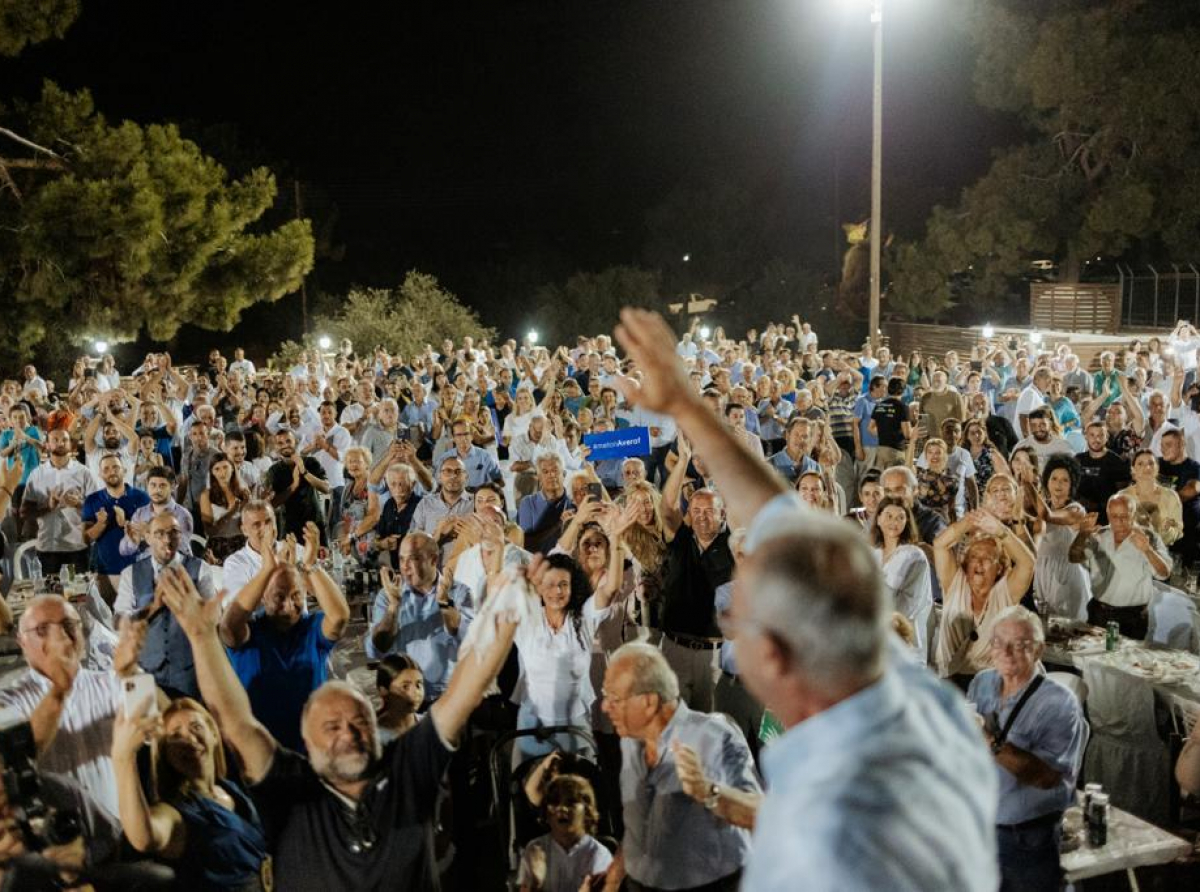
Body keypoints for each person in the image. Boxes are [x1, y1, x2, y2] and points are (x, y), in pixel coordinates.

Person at [610, 307, 997, 892]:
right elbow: (783, 520)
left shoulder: (843, 802)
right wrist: (686, 405)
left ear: (776, 658)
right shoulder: (914, 699)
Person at [156, 553, 516, 892]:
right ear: (307, 743)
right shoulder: (292, 794)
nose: (348, 731)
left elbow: (461, 696)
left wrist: (501, 620)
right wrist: (202, 637)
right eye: (331, 726)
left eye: (359, 720)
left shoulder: (404, 772)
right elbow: (236, 723)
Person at [600, 642, 760, 892]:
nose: (604, 707)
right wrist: (611, 880)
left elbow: (760, 814)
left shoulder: (715, 736)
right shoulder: (632, 745)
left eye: (615, 699)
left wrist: (707, 791)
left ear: (649, 703)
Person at [967, 607, 1086, 892]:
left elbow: (1046, 777)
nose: (1007, 652)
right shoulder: (981, 683)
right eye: (999, 643)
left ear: (1039, 650)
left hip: (1027, 840)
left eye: (1020, 645)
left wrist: (989, 740)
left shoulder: (1060, 703)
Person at [0, 594, 142, 822]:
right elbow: (16, 754)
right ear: (22, 643)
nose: (61, 637)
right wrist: (59, 689)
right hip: (60, 845)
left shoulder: (110, 681)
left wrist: (132, 671)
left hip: (120, 832)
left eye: (68, 625)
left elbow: (152, 725)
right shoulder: (10, 698)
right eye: (42, 630)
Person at [112, 696, 270, 891]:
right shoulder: (178, 812)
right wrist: (123, 758)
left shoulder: (234, 791)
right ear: (166, 754)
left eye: (196, 727)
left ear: (213, 734)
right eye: (176, 736)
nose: (189, 740)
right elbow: (144, 836)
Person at [218, 521, 350, 751]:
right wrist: (267, 570)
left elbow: (339, 616)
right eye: (279, 597)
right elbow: (228, 627)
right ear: (264, 597)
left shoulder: (312, 630)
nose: (289, 606)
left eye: (296, 595)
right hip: (260, 751)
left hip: (310, 748)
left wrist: (310, 566)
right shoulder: (250, 634)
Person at [511, 547, 625, 765]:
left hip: (575, 727)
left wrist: (616, 539)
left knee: (578, 792)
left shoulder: (583, 618)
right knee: (528, 791)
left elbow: (610, 589)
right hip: (532, 725)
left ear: (573, 588)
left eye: (564, 584)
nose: (557, 591)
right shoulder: (527, 619)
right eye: (551, 584)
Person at [114, 512, 217, 699]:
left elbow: (213, 619)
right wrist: (153, 606)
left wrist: (191, 603)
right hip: (144, 672)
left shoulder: (200, 569)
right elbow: (119, 622)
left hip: (189, 672)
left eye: (174, 532)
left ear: (181, 536)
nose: (167, 540)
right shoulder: (130, 573)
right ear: (148, 538)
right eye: (159, 534)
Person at [365, 531, 473, 700]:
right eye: (401, 559)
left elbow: (469, 640)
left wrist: (444, 603)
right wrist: (394, 607)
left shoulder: (458, 592)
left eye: (413, 558)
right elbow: (377, 649)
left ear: (433, 560)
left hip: (447, 698)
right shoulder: (388, 595)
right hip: (402, 699)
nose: (405, 566)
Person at [933, 511, 1035, 685]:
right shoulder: (954, 583)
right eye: (973, 557)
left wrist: (1001, 531)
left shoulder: (1005, 593)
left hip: (992, 683)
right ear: (966, 563)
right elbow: (939, 545)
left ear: (1000, 567)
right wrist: (967, 522)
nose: (979, 562)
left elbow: (1027, 563)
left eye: (988, 558)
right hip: (949, 682)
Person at [1069, 493, 1171, 640]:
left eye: (1125, 516)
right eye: (1114, 516)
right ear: (1108, 515)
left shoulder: (1148, 536)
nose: (1119, 521)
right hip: (1099, 612)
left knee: (1126, 661)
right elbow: (1074, 558)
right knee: (1092, 660)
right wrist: (1083, 534)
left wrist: (1147, 550)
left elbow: (1164, 573)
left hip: (1132, 618)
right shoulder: (1100, 535)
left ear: (1134, 514)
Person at [517, 774, 613, 892]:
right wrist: (535, 882)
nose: (562, 808)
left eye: (570, 802)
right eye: (555, 802)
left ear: (587, 812)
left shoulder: (599, 855)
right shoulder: (535, 849)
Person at [20, 428, 92, 575]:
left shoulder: (84, 472)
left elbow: (98, 510)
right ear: (47, 445)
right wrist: (49, 506)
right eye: (55, 440)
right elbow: (24, 512)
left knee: (78, 595)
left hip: (77, 547)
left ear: (70, 445)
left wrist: (79, 504)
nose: (60, 443)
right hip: (47, 547)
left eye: (64, 440)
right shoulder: (36, 474)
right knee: (48, 595)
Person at [1030, 455, 1092, 621]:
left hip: (1067, 576)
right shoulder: (1040, 505)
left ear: (1071, 485)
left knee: (1067, 631)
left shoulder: (1076, 510)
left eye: (1065, 480)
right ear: (1047, 481)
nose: (1058, 484)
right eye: (1054, 478)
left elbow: (1047, 516)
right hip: (1042, 574)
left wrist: (1027, 484)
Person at [82, 453, 151, 602]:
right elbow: (86, 538)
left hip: (138, 570)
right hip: (105, 572)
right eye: (106, 469)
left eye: (115, 467)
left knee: (139, 620)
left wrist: (126, 523)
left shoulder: (142, 497)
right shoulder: (92, 500)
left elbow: (152, 534)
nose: (111, 471)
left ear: (124, 471)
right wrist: (101, 524)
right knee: (108, 620)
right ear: (100, 474)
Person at [871, 497, 933, 655]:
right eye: (889, 516)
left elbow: (907, 605)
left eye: (900, 517)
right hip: (874, 638)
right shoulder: (873, 554)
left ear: (907, 522)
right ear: (878, 519)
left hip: (903, 640)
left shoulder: (914, 556)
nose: (894, 522)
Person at [266, 429, 331, 541]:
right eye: (280, 443)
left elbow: (326, 488)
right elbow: (272, 504)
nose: (285, 445)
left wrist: (304, 472)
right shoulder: (274, 471)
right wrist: (294, 486)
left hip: (314, 523)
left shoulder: (311, 462)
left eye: (288, 441)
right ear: (276, 447)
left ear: (295, 441)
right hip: (288, 528)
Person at [1119, 448, 1183, 548]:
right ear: (1133, 469)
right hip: (1130, 553)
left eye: (1151, 463)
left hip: (1164, 553)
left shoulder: (1171, 496)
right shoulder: (1122, 497)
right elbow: (1116, 529)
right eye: (1140, 464)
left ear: (1157, 468)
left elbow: (1178, 530)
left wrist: (1166, 531)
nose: (1147, 467)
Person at [517, 453, 575, 554]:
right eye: (545, 472)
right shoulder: (528, 503)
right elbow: (527, 543)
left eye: (555, 470)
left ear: (564, 474)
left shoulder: (574, 504)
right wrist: (560, 524)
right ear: (539, 477)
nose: (551, 475)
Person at [199, 452, 250, 563]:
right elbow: (210, 532)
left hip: (242, 544)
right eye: (217, 469)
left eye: (225, 467)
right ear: (212, 473)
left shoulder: (243, 493)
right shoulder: (206, 495)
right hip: (218, 547)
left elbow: (247, 527)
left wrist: (247, 506)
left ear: (232, 468)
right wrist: (231, 512)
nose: (222, 472)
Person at [1074, 420, 1129, 523]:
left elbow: (1122, 494)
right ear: (1086, 437)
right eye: (1092, 435)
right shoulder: (1077, 460)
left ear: (1107, 437)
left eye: (1100, 435)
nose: (1096, 439)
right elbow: (1070, 486)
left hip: (1107, 518)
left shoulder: (1116, 462)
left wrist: (1098, 505)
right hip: (1080, 516)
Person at [375, 654, 425, 744]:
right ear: (384, 690)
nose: (416, 692)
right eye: (405, 686)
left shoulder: (430, 727)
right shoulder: (373, 736)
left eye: (419, 685)